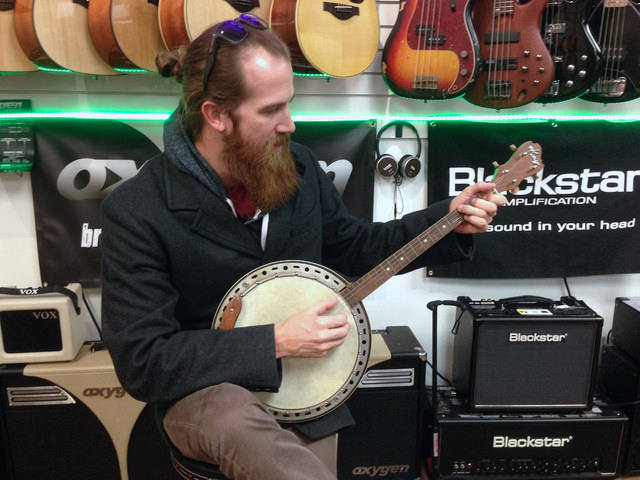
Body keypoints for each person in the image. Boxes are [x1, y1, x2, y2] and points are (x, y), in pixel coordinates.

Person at [100, 14, 506, 480]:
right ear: (216, 115)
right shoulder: (137, 210)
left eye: (288, 104)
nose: (289, 124)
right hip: (206, 393)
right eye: (270, 110)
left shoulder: (298, 168)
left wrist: (450, 219)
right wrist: (274, 341)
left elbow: (355, 247)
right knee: (236, 417)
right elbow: (143, 363)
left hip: (306, 388)